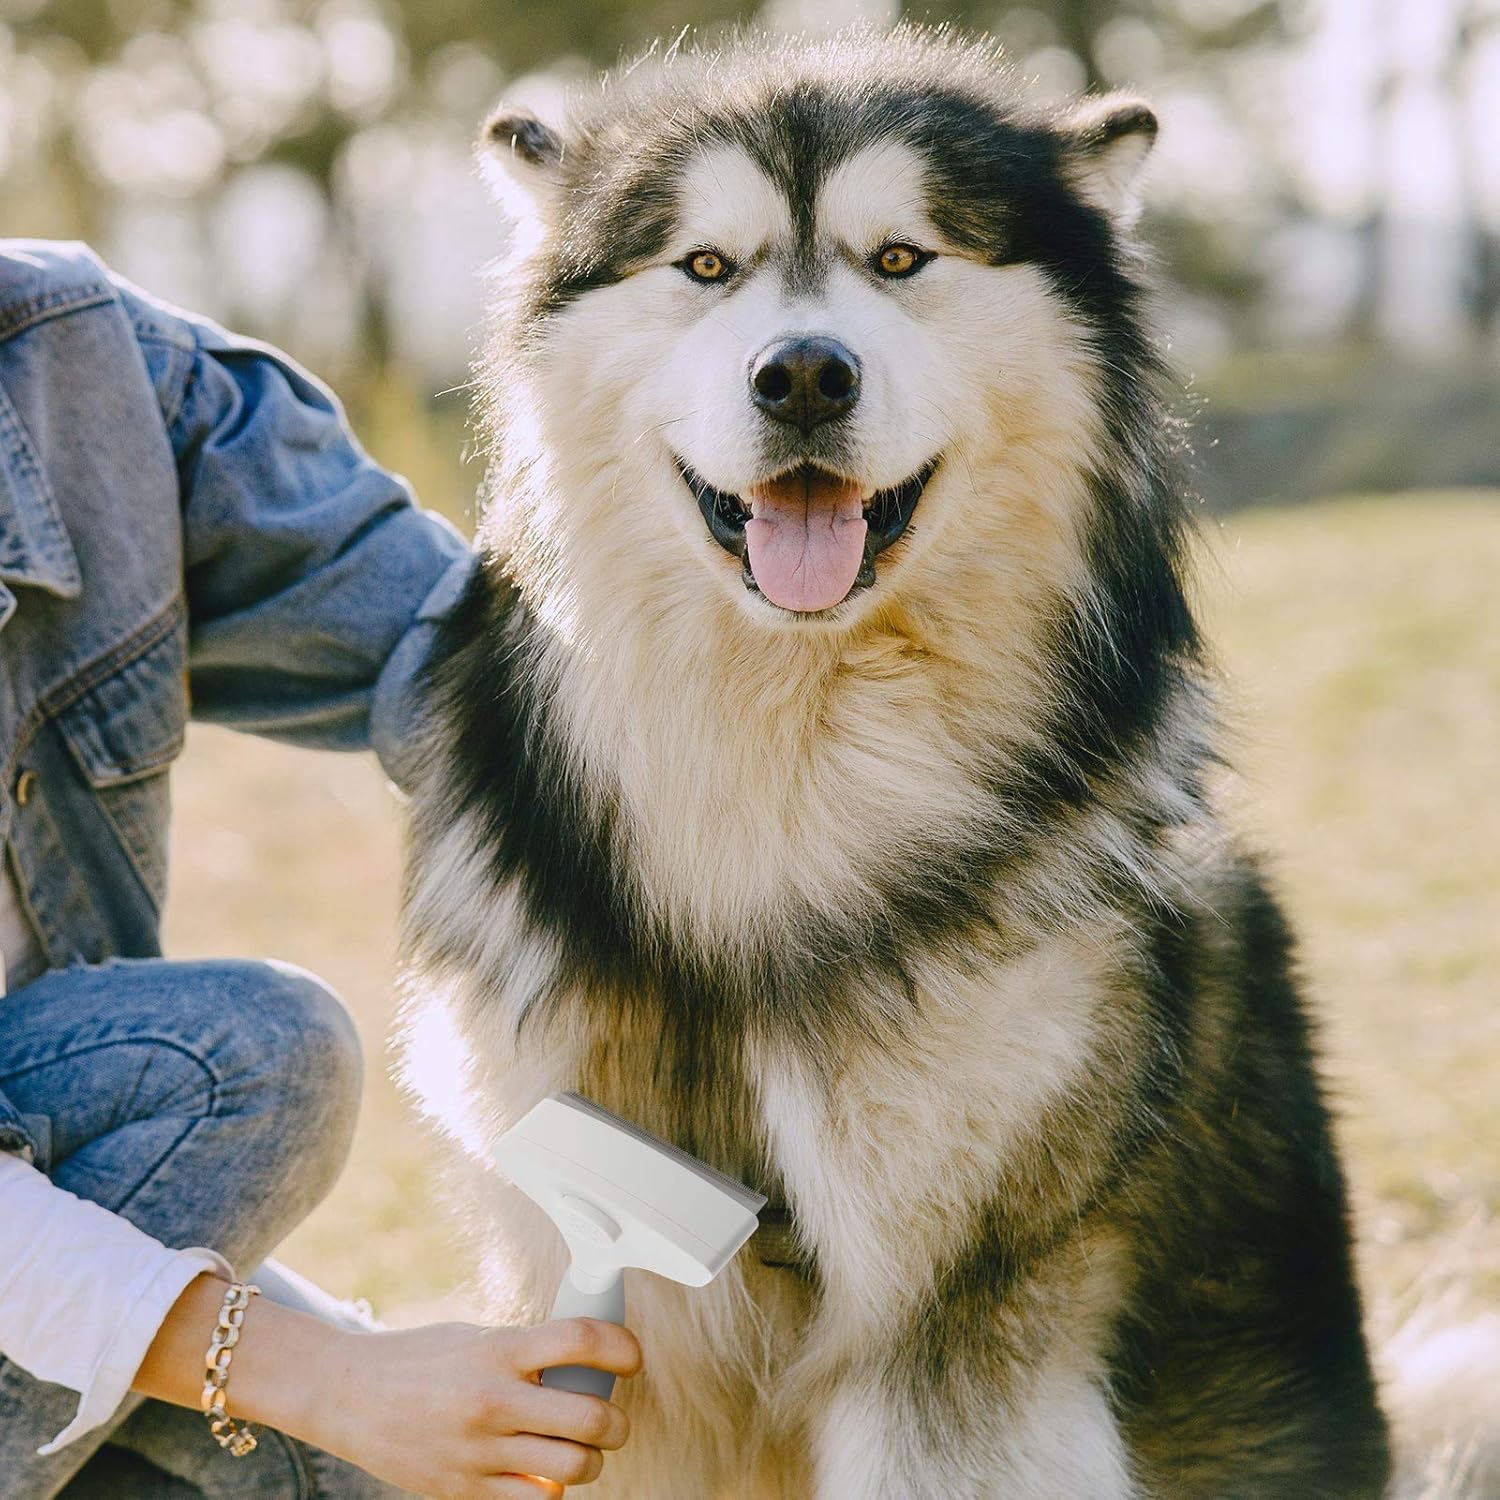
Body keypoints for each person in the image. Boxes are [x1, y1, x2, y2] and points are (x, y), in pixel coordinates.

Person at [0, 240, 641, 1499]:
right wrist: (331, 1377)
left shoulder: (75, 365)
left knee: (348, 1482)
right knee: (248, 1058)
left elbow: (468, 660)